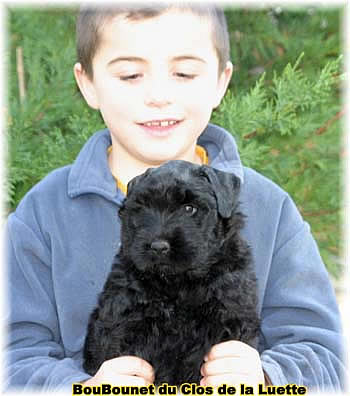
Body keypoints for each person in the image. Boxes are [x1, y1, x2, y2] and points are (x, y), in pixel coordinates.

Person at [6, 3, 345, 393]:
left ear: (221, 81)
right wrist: (77, 386)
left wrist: (268, 377)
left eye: (183, 73)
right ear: (88, 84)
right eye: (130, 74)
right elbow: (12, 356)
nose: (158, 96)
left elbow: (326, 355)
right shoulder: (43, 211)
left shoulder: (270, 207)